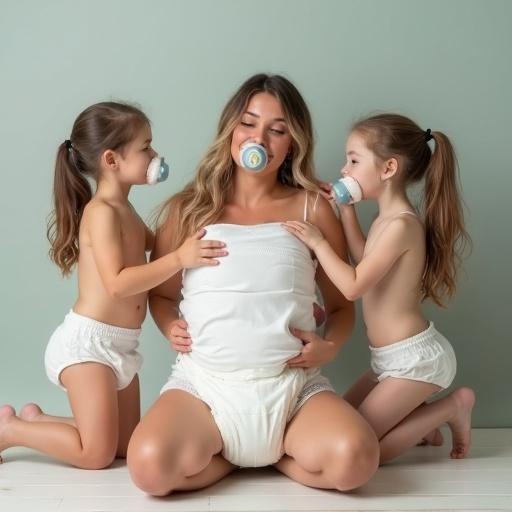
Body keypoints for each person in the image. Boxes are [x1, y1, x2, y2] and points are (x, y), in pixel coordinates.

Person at [127, 74, 379, 495]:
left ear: (291, 143)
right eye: (248, 123)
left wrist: (330, 345)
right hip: (205, 388)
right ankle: (230, 457)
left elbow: (340, 306)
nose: (259, 137)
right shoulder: (187, 210)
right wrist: (169, 324)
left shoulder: (311, 207)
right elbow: (163, 295)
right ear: (230, 130)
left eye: (277, 129)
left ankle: (276, 453)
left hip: (292, 390)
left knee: (358, 460)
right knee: (148, 470)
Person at [0, 102, 226, 468]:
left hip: (122, 345)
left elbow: (161, 243)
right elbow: (118, 284)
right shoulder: (101, 212)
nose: (155, 155)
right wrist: (179, 259)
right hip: (89, 345)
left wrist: (198, 212)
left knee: (125, 446)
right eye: (146, 147)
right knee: (97, 454)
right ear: (111, 159)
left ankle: (39, 421)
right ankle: (12, 430)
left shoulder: (127, 210)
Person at [283, 113, 475, 464]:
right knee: (340, 424)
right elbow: (363, 260)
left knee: (367, 452)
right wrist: (346, 213)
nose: (344, 169)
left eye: (354, 160)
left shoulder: (402, 225)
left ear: (388, 169)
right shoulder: (385, 219)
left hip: (416, 361)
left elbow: (354, 286)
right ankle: (421, 423)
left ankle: (452, 407)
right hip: (388, 360)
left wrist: (319, 242)